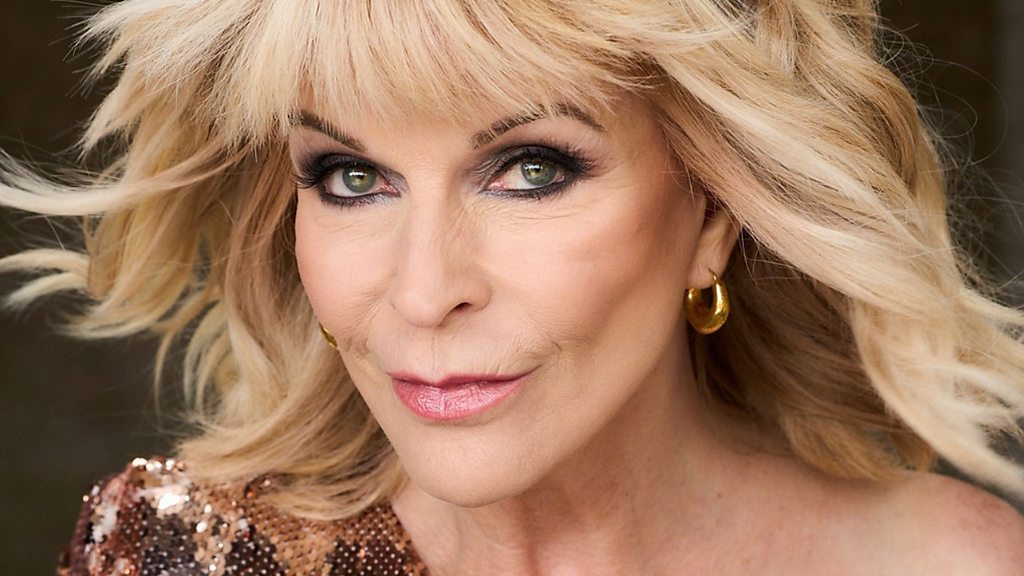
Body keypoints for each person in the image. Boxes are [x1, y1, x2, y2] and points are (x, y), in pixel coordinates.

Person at [2, 0, 1024, 574]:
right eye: (351, 178)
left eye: (532, 170)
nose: (423, 291)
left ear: (712, 214)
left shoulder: (950, 566)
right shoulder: (182, 557)